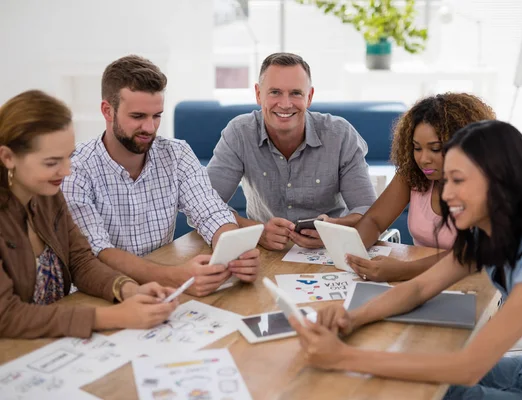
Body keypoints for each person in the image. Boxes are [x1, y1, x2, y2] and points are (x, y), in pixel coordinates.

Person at [290, 120, 522, 399]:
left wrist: (342, 357)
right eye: (446, 181)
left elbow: (469, 368)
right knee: (417, 382)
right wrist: (351, 318)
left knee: (428, 390)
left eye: (458, 180)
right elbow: (419, 289)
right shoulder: (490, 232)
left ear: (500, 180)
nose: (447, 194)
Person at [61, 55, 260, 297]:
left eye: (156, 116)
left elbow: (211, 212)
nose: (149, 128)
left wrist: (233, 250)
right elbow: (97, 252)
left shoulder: (176, 154)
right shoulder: (76, 169)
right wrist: (176, 277)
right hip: (101, 293)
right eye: (138, 116)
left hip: (164, 292)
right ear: (107, 110)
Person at [0, 90, 179, 339]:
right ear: (8, 157)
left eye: (67, 157)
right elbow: (6, 315)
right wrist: (113, 317)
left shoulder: (48, 196)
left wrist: (128, 289)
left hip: (52, 341)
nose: (66, 172)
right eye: (52, 162)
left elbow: (81, 262)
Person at [207, 52, 377, 251]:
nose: (285, 104)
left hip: (330, 252)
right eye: (275, 92)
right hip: (261, 252)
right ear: (258, 94)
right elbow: (204, 205)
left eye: (296, 93)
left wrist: (333, 229)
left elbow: (369, 213)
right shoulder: (239, 133)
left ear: (310, 96)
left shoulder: (340, 135)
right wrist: (256, 231)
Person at [349, 93, 495, 282]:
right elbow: (375, 220)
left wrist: (403, 270)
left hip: (475, 283)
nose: (423, 159)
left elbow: (471, 254)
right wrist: (352, 254)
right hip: (423, 283)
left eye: (435, 149)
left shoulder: (487, 186)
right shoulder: (413, 174)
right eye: (417, 148)